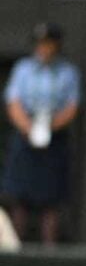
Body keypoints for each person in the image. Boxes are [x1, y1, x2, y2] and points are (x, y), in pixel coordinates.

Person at [1, 23, 81, 247]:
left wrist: (47, 128)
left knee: (51, 202)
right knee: (19, 199)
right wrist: (29, 128)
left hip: (53, 136)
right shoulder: (23, 69)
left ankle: (49, 253)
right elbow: (13, 102)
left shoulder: (67, 72)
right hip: (26, 134)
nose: (43, 49)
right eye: (40, 44)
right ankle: (15, 251)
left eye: (48, 44)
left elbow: (72, 107)